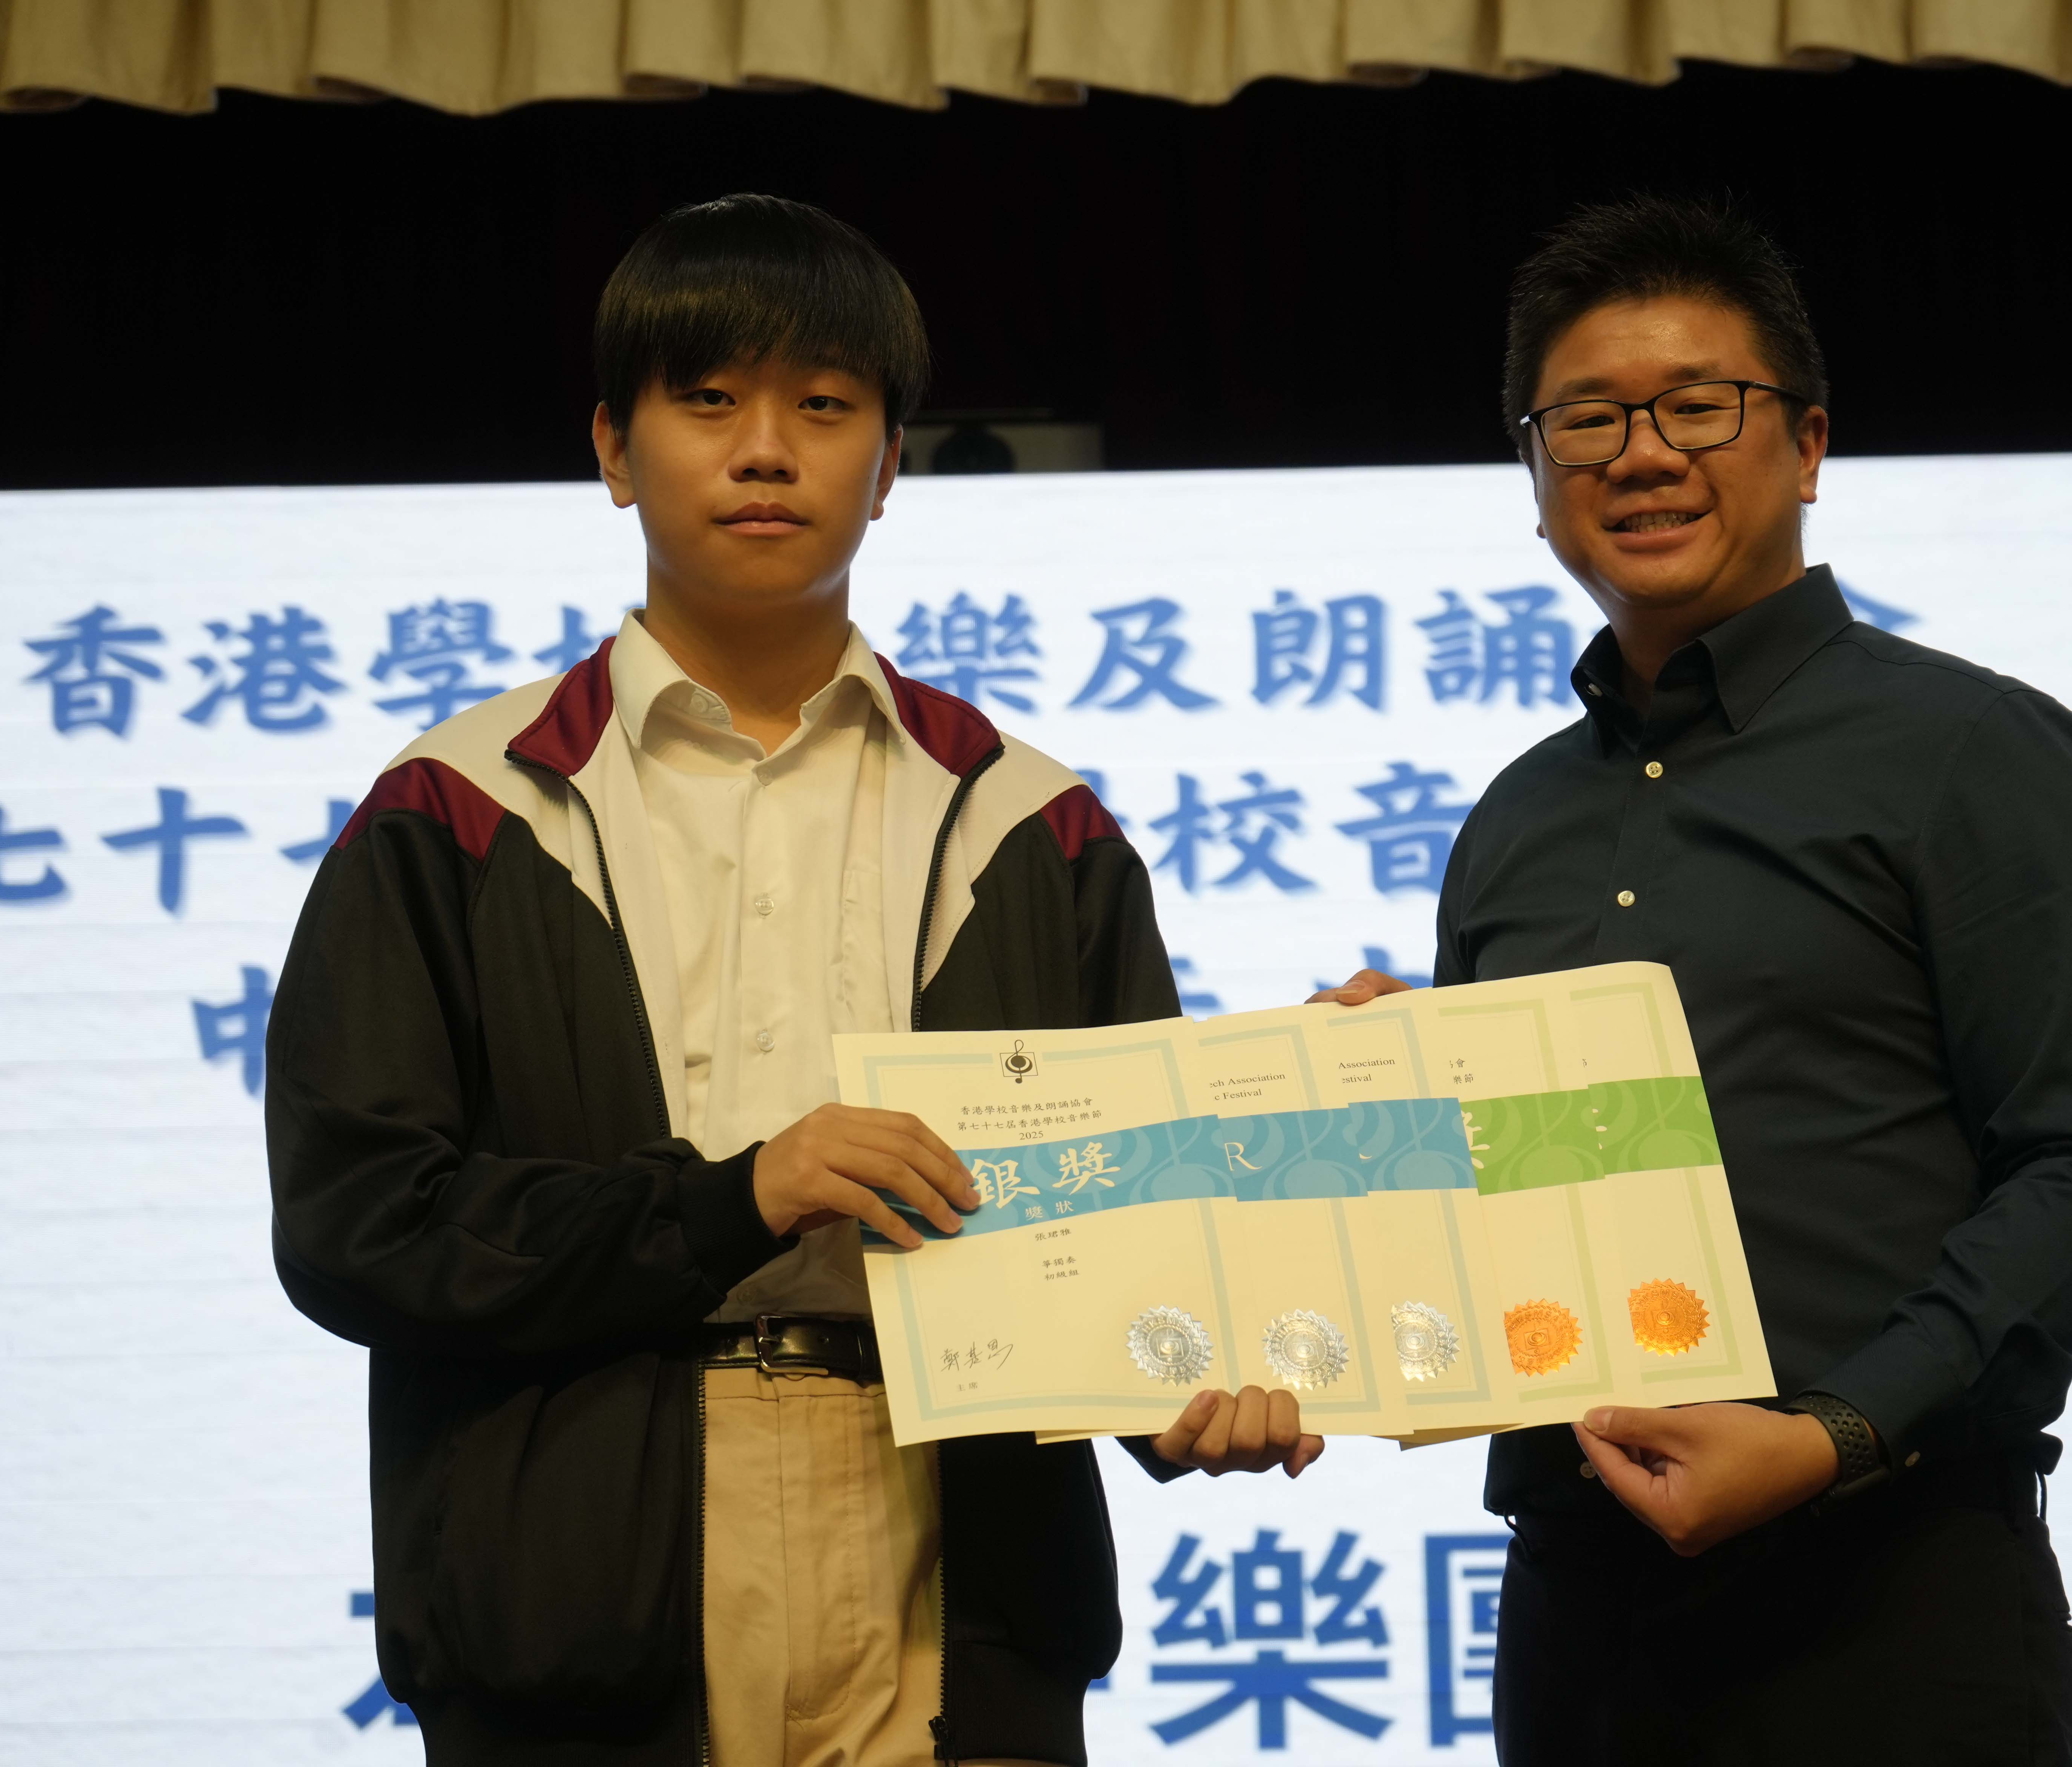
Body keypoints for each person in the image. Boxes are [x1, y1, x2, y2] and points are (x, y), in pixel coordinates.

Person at [266, 194, 1321, 1767]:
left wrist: (1230, 1330)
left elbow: (1135, 1231)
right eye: (709, 400)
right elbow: (358, 1223)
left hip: (957, 1566)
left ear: (889, 466)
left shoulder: (1035, 824)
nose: (766, 451)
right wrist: (735, 1199)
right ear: (615, 450)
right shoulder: (459, 810)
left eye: (824, 407)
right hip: (575, 1581)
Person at [1316, 195, 2072, 1763]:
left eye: (1697, 406)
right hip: (1579, 1615)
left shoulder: (1972, 752)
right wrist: (1383, 1110)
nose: (1642, 455)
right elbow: (1497, 1236)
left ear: (1809, 443)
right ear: (1536, 479)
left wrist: (1837, 1432)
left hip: (1893, 1590)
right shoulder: (1514, 819)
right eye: (1587, 420)